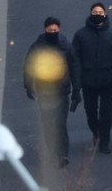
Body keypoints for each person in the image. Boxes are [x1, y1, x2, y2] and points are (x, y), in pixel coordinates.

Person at [23, 16, 80, 169]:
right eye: (50, 30)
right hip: (44, 93)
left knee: (60, 124)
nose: (53, 32)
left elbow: (74, 67)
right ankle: (52, 151)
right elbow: (29, 66)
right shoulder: (37, 47)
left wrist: (76, 90)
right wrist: (28, 85)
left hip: (61, 92)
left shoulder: (66, 46)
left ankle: (62, 154)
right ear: (44, 30)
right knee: (48, 125)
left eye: (55, 30)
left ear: (59, 30)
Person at [71, 3, 112, 154]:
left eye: (100, 11)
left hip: (108, 81)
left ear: (105, 14)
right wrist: (77, 81)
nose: (97, 14)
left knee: (106, 113)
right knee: (90, 112)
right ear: (90, 14)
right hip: (88, 81)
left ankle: (104, 141)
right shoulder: (80, 35)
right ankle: (96, 133)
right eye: (95, 11)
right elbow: (75, 59)